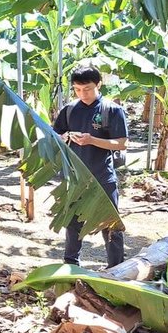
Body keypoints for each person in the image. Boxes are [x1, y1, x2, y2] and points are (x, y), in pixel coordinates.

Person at [52, 66, 128, 268]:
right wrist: (65, 137)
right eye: (77, 89)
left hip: (103, 177)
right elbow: (55, 136)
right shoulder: (69, 110)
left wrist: (92, 140)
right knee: (73, 223)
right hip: (76, 178)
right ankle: (71, 265)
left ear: (98, 85)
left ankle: (116, 267)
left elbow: (121, 143)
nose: (82, 94)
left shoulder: (111, 110)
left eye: (87, 89)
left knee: (110, 225)